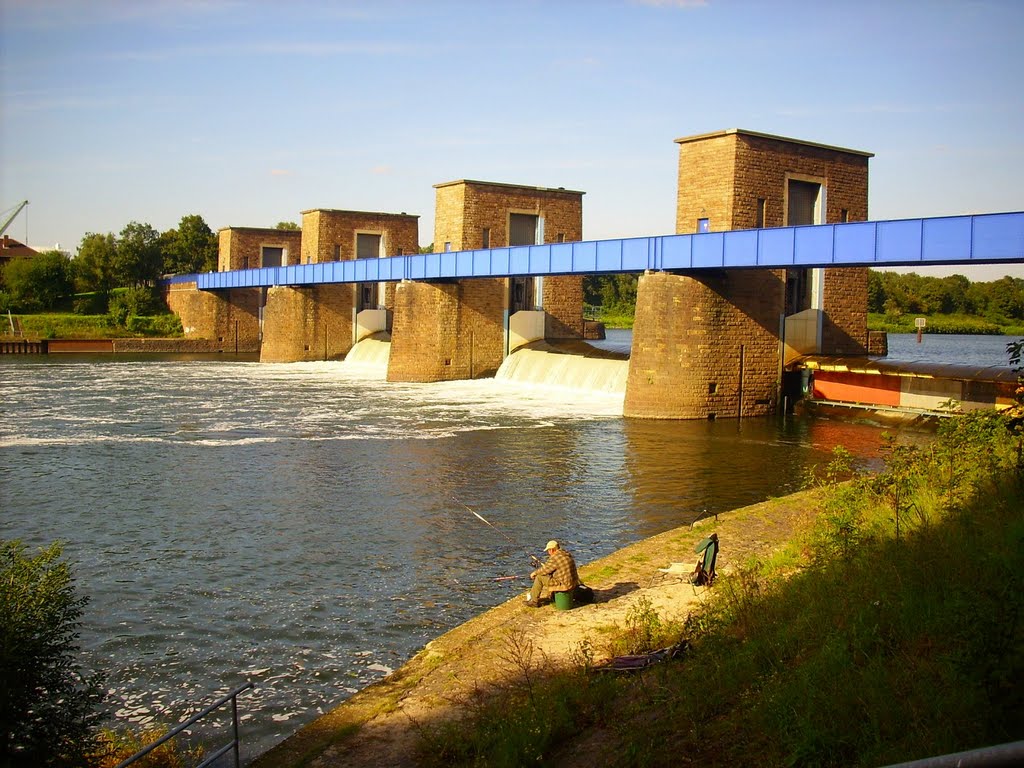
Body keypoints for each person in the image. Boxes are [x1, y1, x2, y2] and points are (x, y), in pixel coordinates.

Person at [526, 540, 579, 607]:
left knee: (539, 577)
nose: (548, 553)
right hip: (573, 582)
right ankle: (551, 596)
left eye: (548, 550)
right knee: (550, 575)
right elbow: (552, 568)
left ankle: (533, 601)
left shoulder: (555, 558)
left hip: (564, 584)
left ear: (552, 550)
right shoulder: (566, 554)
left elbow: (545, 570)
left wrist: (534, 573)